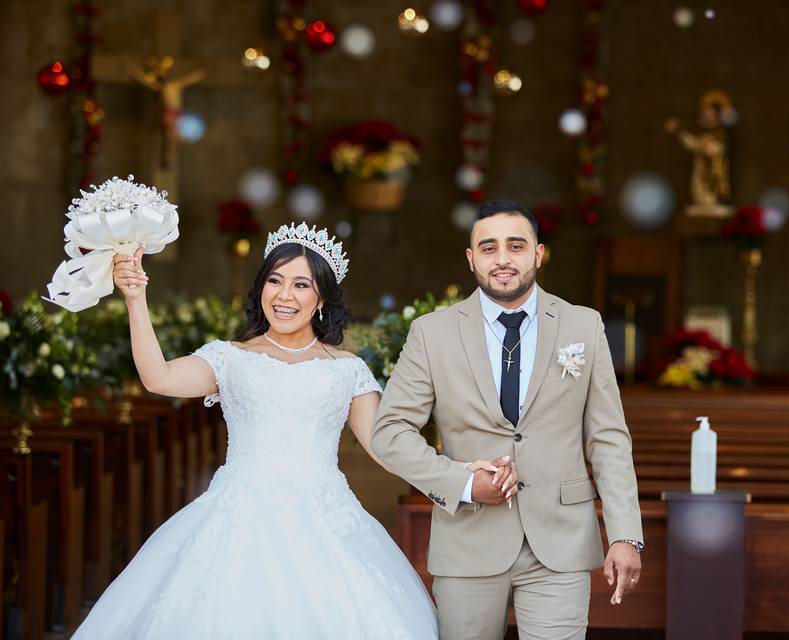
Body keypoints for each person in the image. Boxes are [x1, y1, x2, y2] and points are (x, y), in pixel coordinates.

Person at [73, 222, 515, 639]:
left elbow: (388, 447)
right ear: (261, 287)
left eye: (301, 284)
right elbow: (159, 378)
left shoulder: (347, 370)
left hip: (328, 523)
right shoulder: (230, 358)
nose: (285, 295)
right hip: (235, 519)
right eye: (275, 281)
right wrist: (135, 299)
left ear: (321, 299)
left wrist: (458, 471)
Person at [371, 199, 644, 640]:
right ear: (471, 258)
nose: (502, 259)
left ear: (538, 254)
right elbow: (390, 433)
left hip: (561, 546)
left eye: (516, 246)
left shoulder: (583, 325)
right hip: (468, 543)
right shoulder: (432, 332)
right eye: (488, 247)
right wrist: (461, 483)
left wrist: (625, 534)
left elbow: (608, 440)